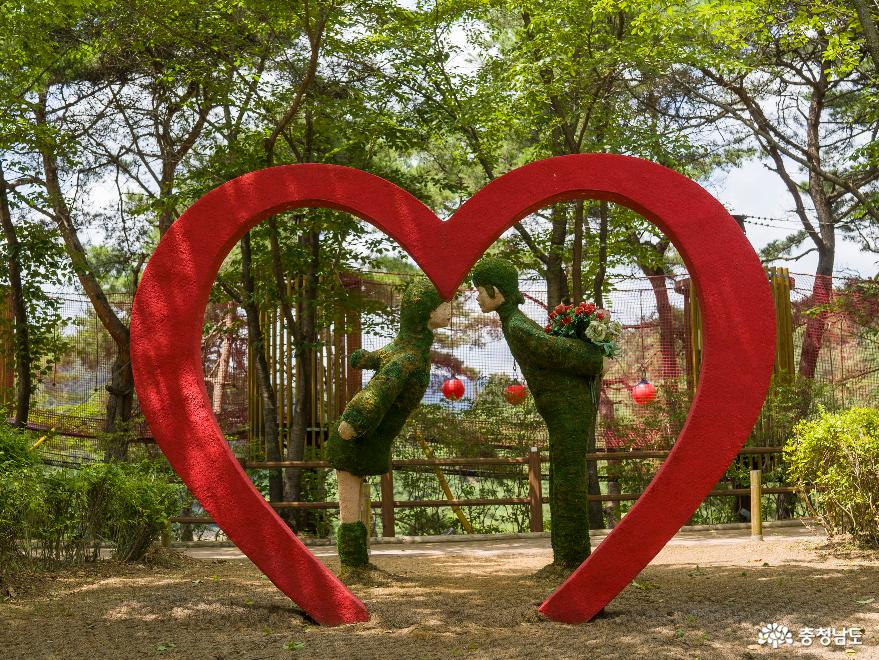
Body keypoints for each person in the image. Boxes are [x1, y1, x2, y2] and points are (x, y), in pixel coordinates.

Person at [471, 257, 604, 568]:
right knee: (563, 473)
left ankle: (572, 558)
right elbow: (550, 346)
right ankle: (568, 555)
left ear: (496, 291)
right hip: (561, 406)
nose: (476, 297)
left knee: (568, 475)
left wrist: (595, 359)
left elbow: (551, 348)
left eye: (480, 291)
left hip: (567, 406)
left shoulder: (516, 325)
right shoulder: (513, 322)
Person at [326, 277, 451, 568]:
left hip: (367, 440)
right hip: (354, 440)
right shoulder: (408, 356)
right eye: (443, 304)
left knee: (355, 504)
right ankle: (354, 564)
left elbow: (382, 356)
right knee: (350, 508)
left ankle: (357, 564)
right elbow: (379, 391)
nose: (449, 309)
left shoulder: (408, 349)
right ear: (425, 311)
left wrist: (365, 358)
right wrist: (354, 422)